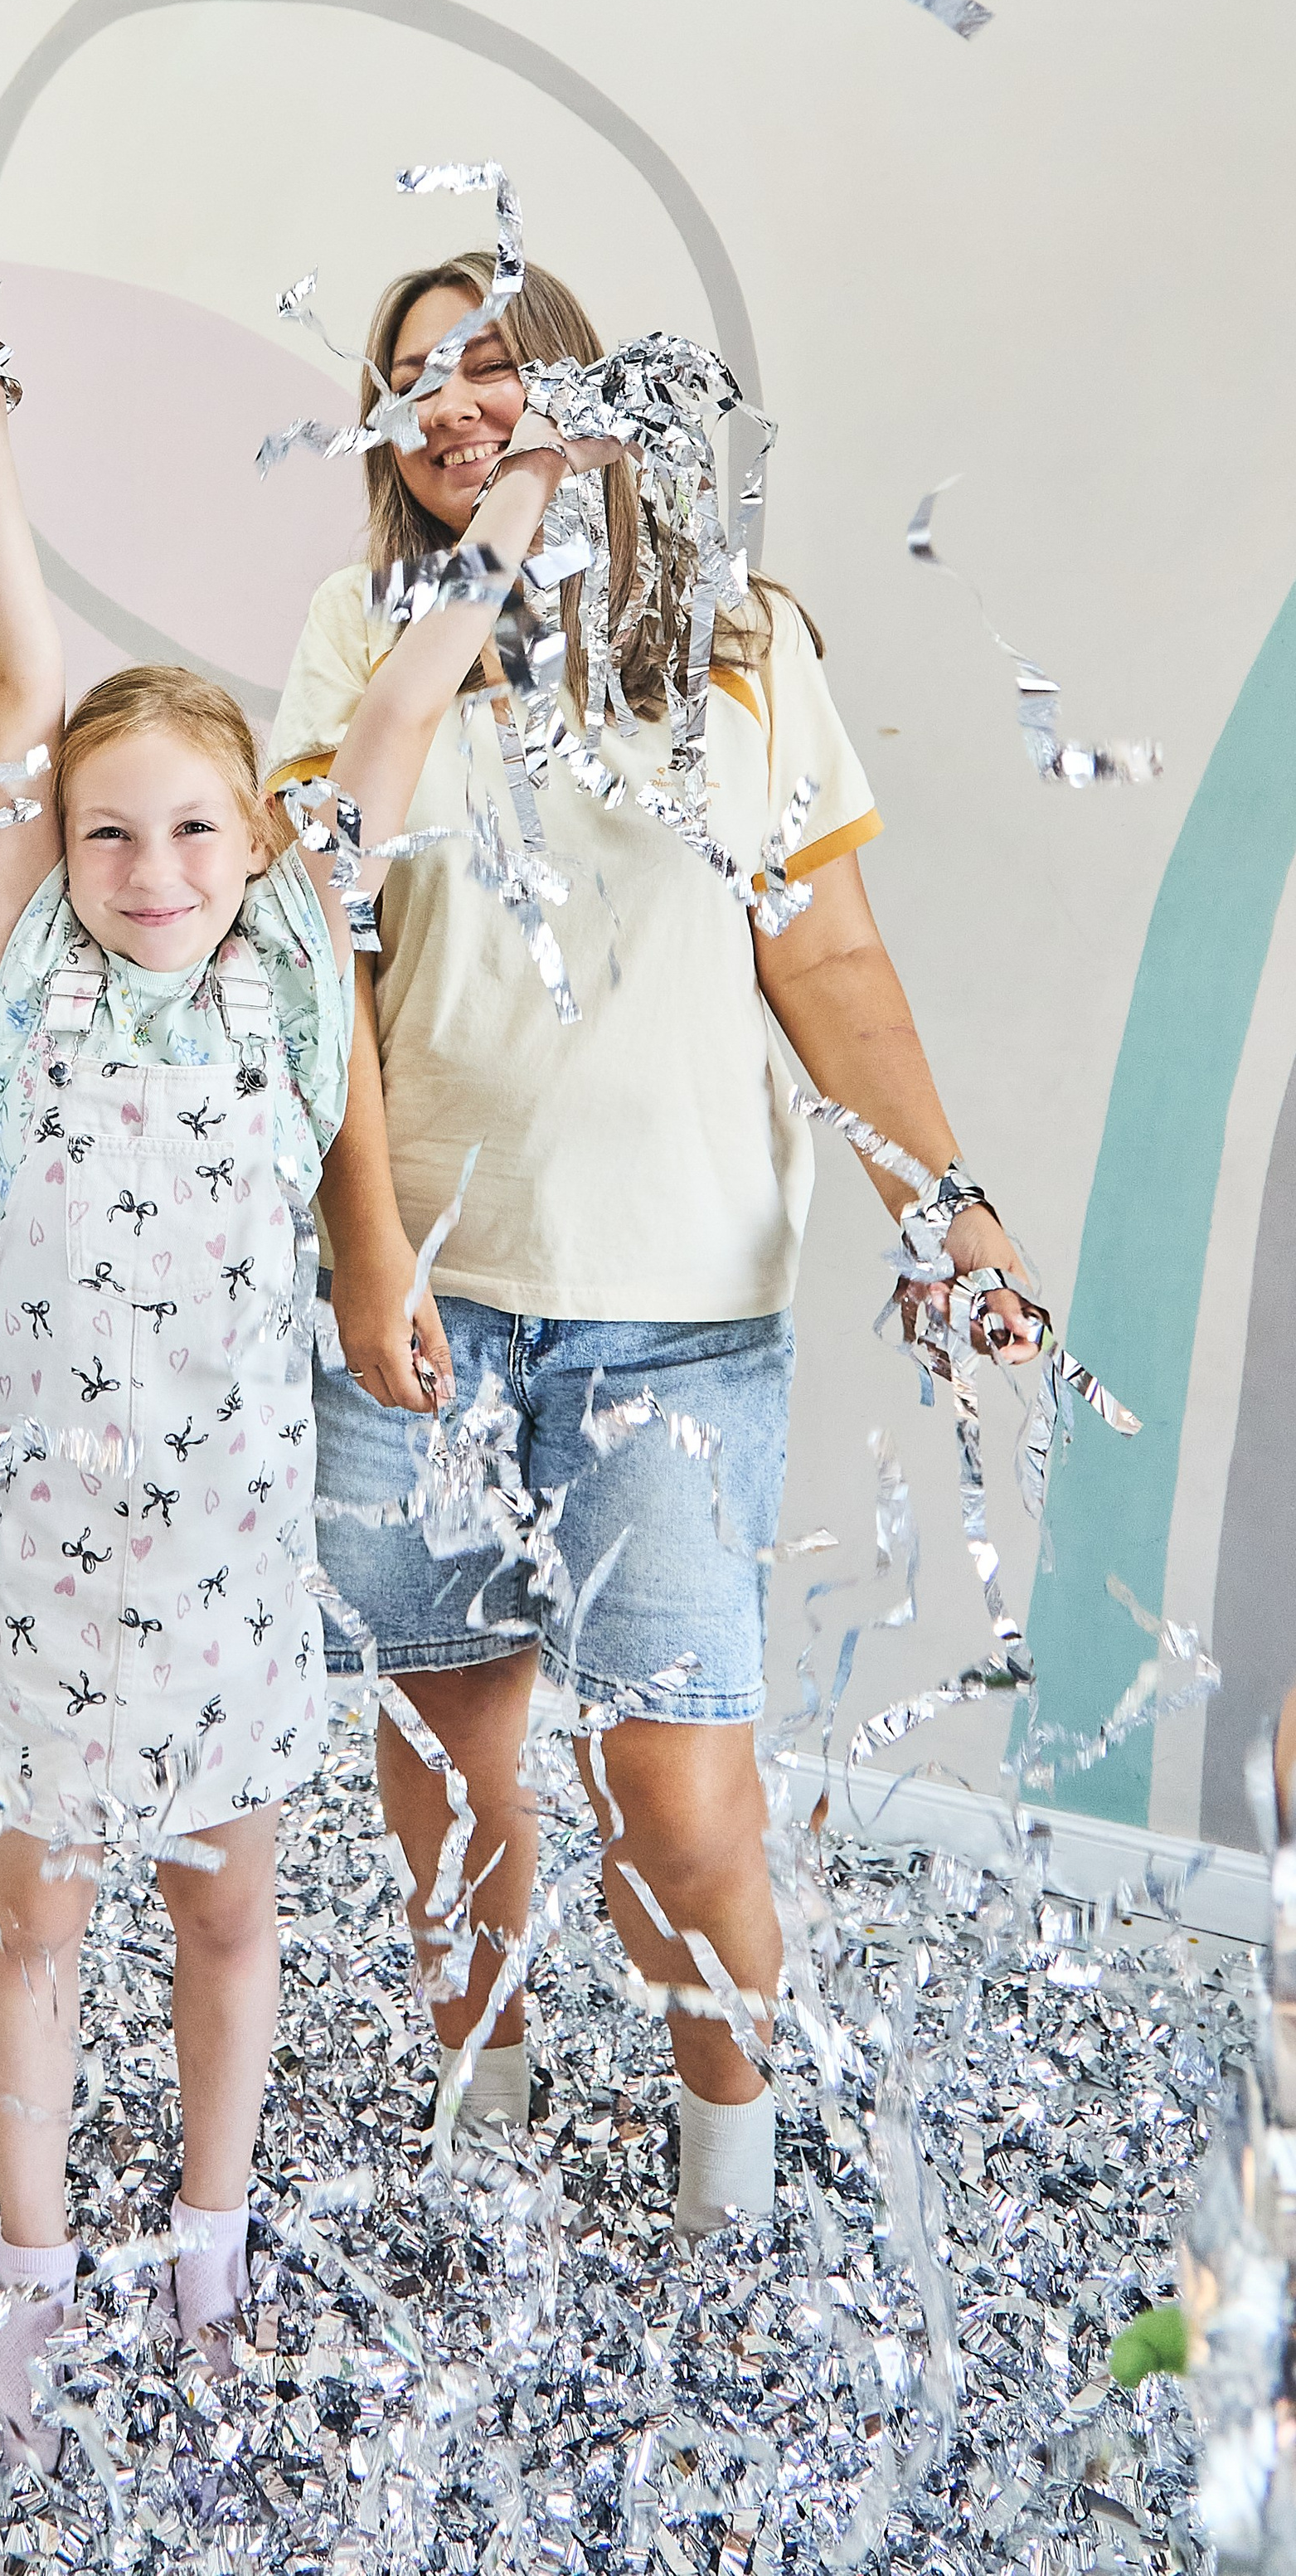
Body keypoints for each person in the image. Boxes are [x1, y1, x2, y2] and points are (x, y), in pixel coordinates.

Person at [265, 248, 1039, 2238]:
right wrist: (363, 1262)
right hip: (424, 1309)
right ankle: (484, 2091)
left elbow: (828, 956)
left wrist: (940, 1207)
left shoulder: (739, 642)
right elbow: (318, 968)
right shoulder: (363, 637)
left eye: (494, 368)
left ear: (592, 393)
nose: (448, 401)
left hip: (675, 1322)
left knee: (678, 1807)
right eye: (410, 375)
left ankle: (724, 2151)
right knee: (450, 1772)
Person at [0, 341, 572, 2459]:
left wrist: (525, 496)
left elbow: (397, 697)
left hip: (219, 1578)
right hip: (41, 1585)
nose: (148, 864)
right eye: (108, 832)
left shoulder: (294, 970)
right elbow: (23, 684)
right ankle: (33, 2273)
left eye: (194, 825)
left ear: (254, 841)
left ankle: (206, 2239)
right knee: (31, 1920)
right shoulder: (22, 971)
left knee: (225, 1910)